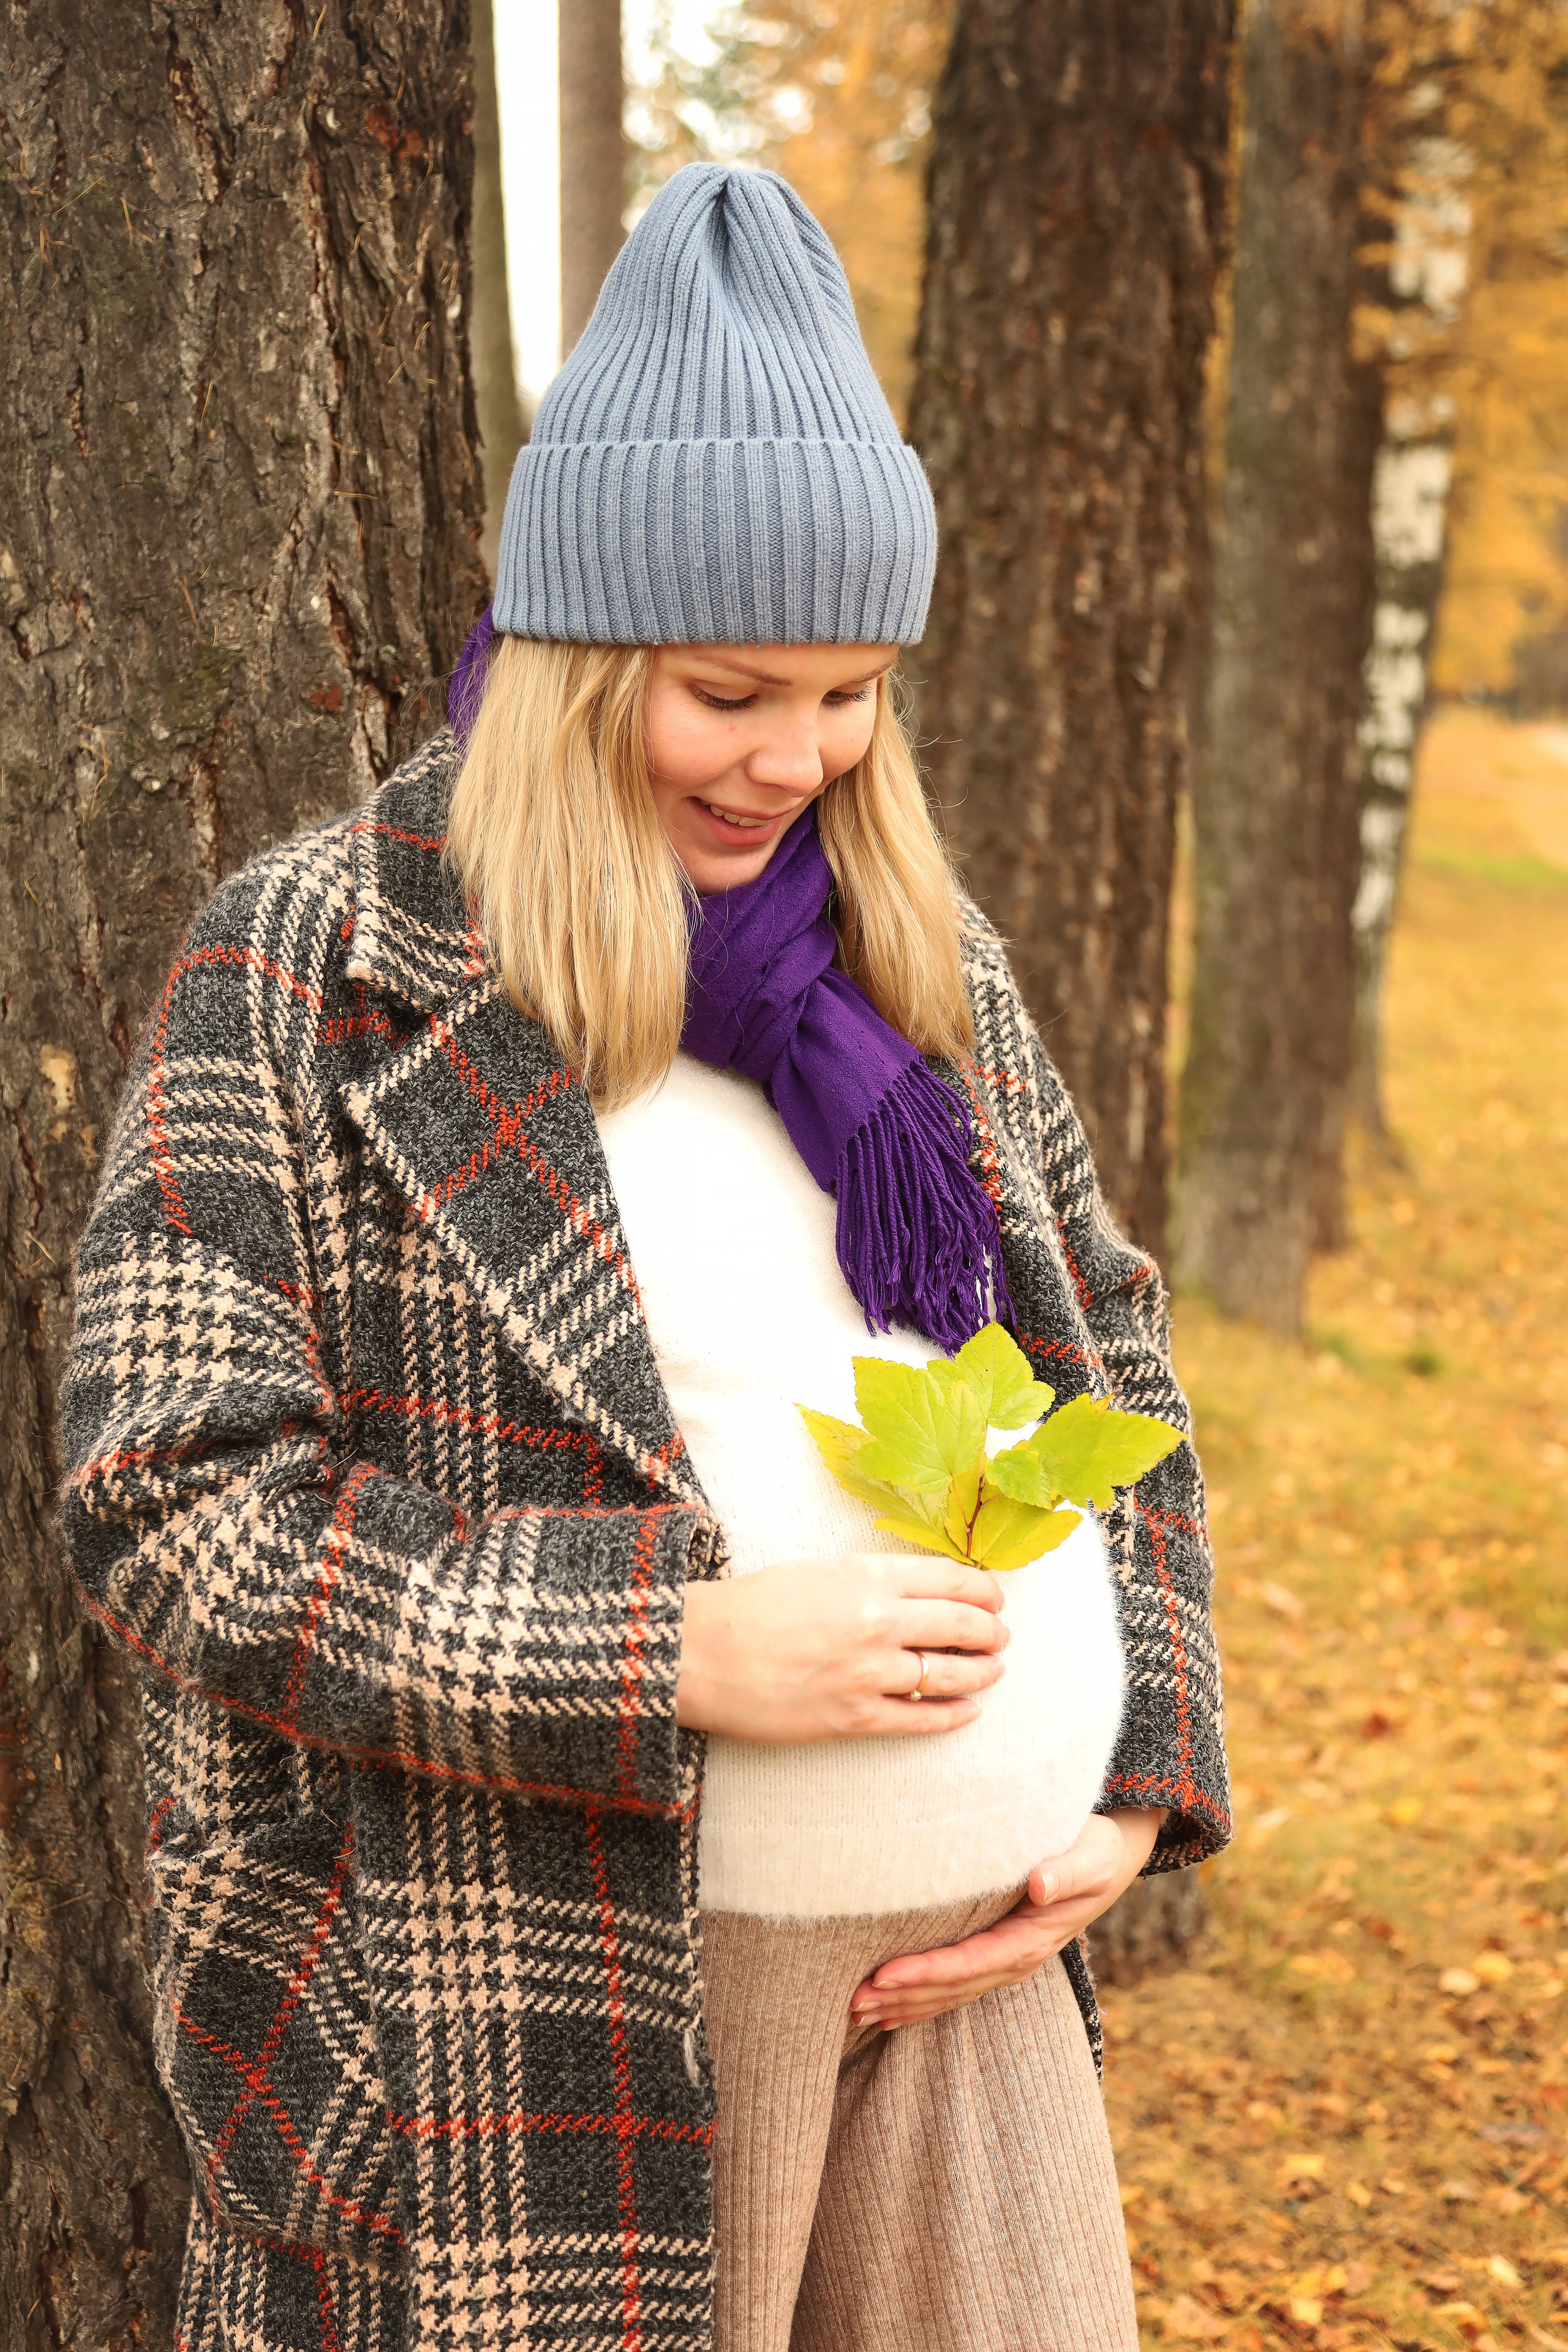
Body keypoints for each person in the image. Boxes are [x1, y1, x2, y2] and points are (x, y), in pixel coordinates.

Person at [60, 162, 1228, 2352]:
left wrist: (1137, 1773)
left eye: (857, 694)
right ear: (584, 651)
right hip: (545, 2011)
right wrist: (671, 1653)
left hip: (968, 1988)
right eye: (733, 692)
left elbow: (1112, 1354)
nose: (802, 760)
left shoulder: (912, 964)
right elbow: (172, 1501)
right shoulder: (319, 966)